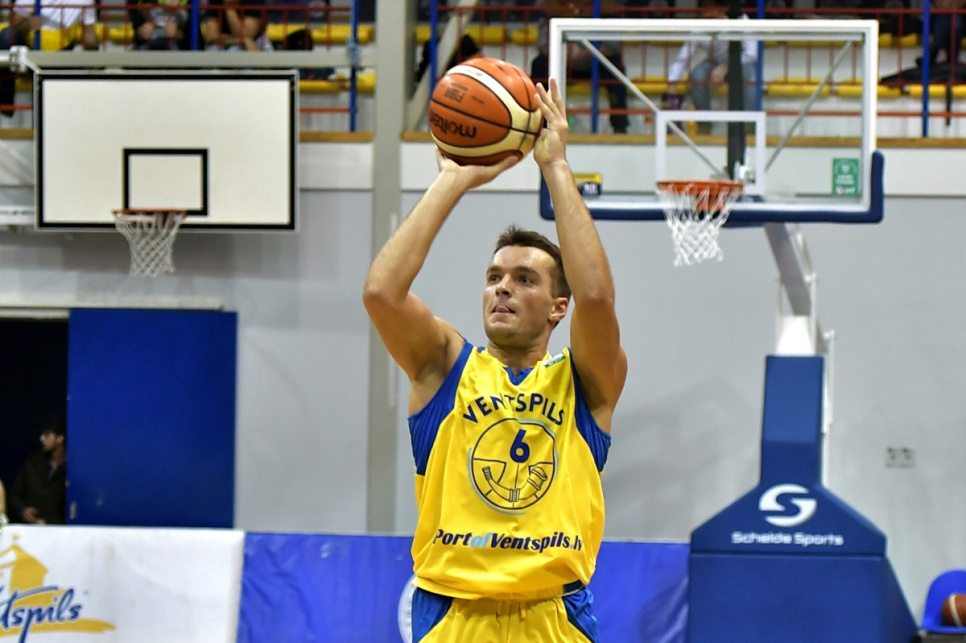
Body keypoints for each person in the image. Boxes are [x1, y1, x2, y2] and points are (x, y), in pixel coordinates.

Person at [363, 78, 627, 641]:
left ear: (558, 307)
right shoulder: (444, 366)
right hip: (454, 613)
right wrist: (453, 180)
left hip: (554, 614)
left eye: (524, 279)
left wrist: (556, 167)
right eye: (493, 277)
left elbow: (598, 299)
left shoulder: (584, 382)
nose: (502, 287)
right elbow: (381, 294)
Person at [530, 0, 630, 134]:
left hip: (596, 60)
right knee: (538, 65)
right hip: (562, 62)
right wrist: (564, 53)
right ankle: (538, 124)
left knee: (616, 68)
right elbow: (543, 44)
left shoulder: (607, 9)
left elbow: (613, 46)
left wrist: (589, 53)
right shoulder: (552, 9)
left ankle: (620, 126)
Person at [662, 0, 758, 131]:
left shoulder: (741, 19)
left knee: (751, 77)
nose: (708, 12)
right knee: (697, 75)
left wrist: (726, 66)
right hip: (714, 62)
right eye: (705, 7)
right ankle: (704, 126)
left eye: (712, 7)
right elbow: (684, 56)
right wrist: (672, 82)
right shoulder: (700, 25)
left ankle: (749, 127)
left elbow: (752, 53)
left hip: (741, 62)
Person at [0, 0, 100, 116]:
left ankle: (77, 112)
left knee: (88, 67)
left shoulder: (85, 1)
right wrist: (27, 23)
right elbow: (15, 24)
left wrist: (95, 56)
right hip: (29, 57)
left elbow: (90, 37)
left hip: (60, 58)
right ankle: (5, 99)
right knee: (6, 35)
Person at [7, 411, 67, 525]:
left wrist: (48, 522)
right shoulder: (33, 462)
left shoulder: (70, 471)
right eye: (42, 434)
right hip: (26, 529)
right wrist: (22, 510)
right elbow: (14, 494)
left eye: (47, 434)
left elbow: (72, 513)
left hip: (54, 532)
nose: (41, 438)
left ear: (60, 438)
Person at [202, 0, 271, 51]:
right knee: (213, 51)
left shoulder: (254, 1)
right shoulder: (214, 1)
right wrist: (242, 40)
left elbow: (247, 35)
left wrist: (229, 7)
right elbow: (210, 37)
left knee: (236, 50)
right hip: (225, 43)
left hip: (256, 43)